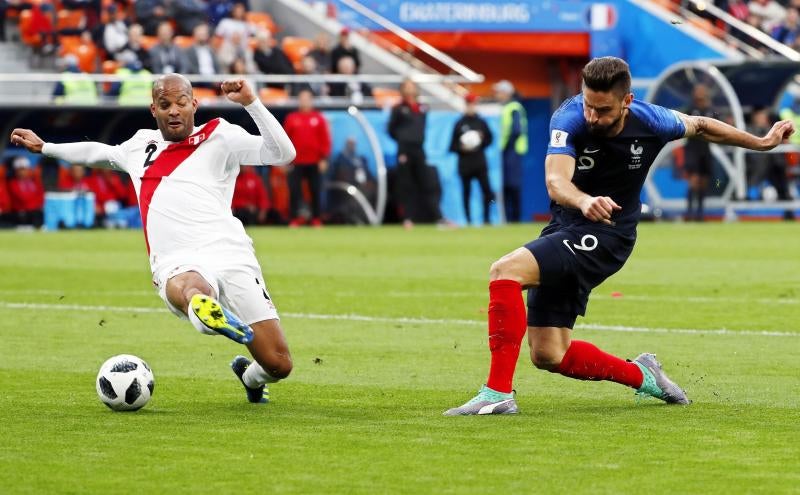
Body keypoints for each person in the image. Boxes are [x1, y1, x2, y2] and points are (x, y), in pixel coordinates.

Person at [444, 56, 794, 416]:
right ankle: (644, 376)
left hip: (609, 236)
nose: (593, 116)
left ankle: (496, 394)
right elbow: (555, 181)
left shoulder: (652, 120)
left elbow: (702, 125)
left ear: (626, 101)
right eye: (588, 105)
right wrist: (584, 200)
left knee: (505, 271)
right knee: (549, 354)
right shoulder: (570, 118)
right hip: (569, 226)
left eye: (603, 109)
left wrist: (762, 142)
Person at [11, 74, 298, 404]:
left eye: (180, 103)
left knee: (278, 364)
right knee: (192, 286)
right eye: (165, 105)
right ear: (153, 109)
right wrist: (45, 146)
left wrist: (251, 103)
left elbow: (283, 153)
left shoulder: (222, 136)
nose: (173, 111)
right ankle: (203, 311)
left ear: (194, 104)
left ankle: (249, 376)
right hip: (177, 258)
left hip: (232, 254)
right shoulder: (138, 146)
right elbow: (96, 152)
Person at [388, 79, 445, 228]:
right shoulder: (398, 109)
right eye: (406, 87)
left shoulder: (422, 108)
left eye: (412, 86)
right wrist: (403, 142)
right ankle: (407, 218)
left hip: (419, 149)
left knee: (428, 183)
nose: (409, 90)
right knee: (406, 185)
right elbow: (391, 130)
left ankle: (438, 217)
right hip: (404, 150)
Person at [283, 88, 331, 227]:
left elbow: (325, 140)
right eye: (302, 98)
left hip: (314, 161)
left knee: (315, 190)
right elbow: (285, 139)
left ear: (311, 101)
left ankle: (316, 218)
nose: (304, 101)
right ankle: (294, 218)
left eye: (307, 99)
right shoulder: (292, 118)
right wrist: (284, 160)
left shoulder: (319, 118)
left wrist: (323, 158)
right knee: (294, 190)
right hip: (296, 162)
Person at [449, 93, 494, 225]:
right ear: (465, 105)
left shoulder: (481, 122)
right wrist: (462, 148)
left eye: (473, 104)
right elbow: (452, 146)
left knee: (486, 190)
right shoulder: (459, 123)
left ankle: (487, 219)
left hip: (479, 162)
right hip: (465, 163)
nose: (471, 107)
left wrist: (480, 141)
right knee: (466, 191)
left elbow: (489, 139)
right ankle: (468, 220)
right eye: (469, 104)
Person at [747, 108, 794, 219]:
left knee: (783, 188)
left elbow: (784, 145)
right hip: (758, 166)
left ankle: (788, 213)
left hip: (776, 164)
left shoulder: (773, 130)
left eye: (763, 116)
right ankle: (751, 211)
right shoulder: (750, 130)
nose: (762, 119)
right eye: (759, 116)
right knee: (755, 187)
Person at [494, 79, 527, 223]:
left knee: (513, 186)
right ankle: (508, 219)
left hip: (512, 151)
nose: (496, 95)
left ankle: (515, 219)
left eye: (499, 92)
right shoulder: (506, 107)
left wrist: (505, 147)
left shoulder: (513, 107)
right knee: (507, 186)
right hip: (508, 151)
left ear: (506, 93)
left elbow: (516, 130)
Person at [683, 84, 715, 221]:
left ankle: (700, 213)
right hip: (692, 150)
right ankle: (690, 213)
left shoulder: (710, 110)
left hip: (705, 150)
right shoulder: (690, 109)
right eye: (698, 91)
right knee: (694, 180)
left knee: (704, 181)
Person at [327, 136, 376, 224]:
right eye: (350, 144)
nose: (352, 146)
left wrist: (370, 182)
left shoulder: (361, 159)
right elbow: (339, 174)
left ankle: (364, 217)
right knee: (356, 194)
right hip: (348, 186)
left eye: (353, 144)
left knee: (370, 190)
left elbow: (368, 174)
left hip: (364, 186)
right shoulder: (341, 158)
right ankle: (353, 217)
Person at [7, 156, 44, 227]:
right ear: (15, 171)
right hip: (20, 213)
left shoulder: (35, 182)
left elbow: (40, 196)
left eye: (24, 169)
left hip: (34, 212)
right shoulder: (12, 183)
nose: (22, 172)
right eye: (20, 170)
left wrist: (36, 207)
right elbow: (22, 198)